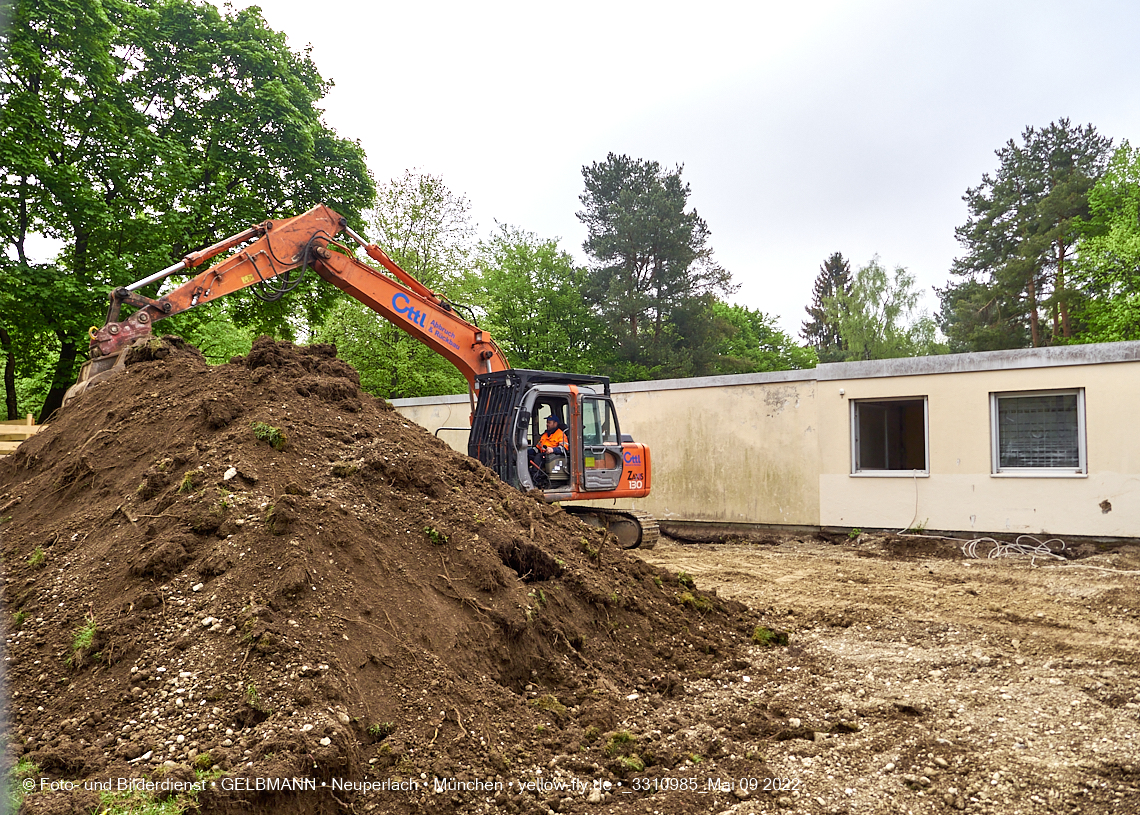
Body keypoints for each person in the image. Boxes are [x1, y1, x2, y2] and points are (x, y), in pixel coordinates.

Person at [528, 415, 567, 487]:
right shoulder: (545, 435)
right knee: (528, 456)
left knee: (538, 457)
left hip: (552, 457)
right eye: (547, 422)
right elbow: (537, 448)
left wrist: (553, 449)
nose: (547, 424)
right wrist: (526, 452)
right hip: (543, 455)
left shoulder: (561, 435)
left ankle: (536, 480)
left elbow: (564, 448)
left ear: (555, 424)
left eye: (549, 422)